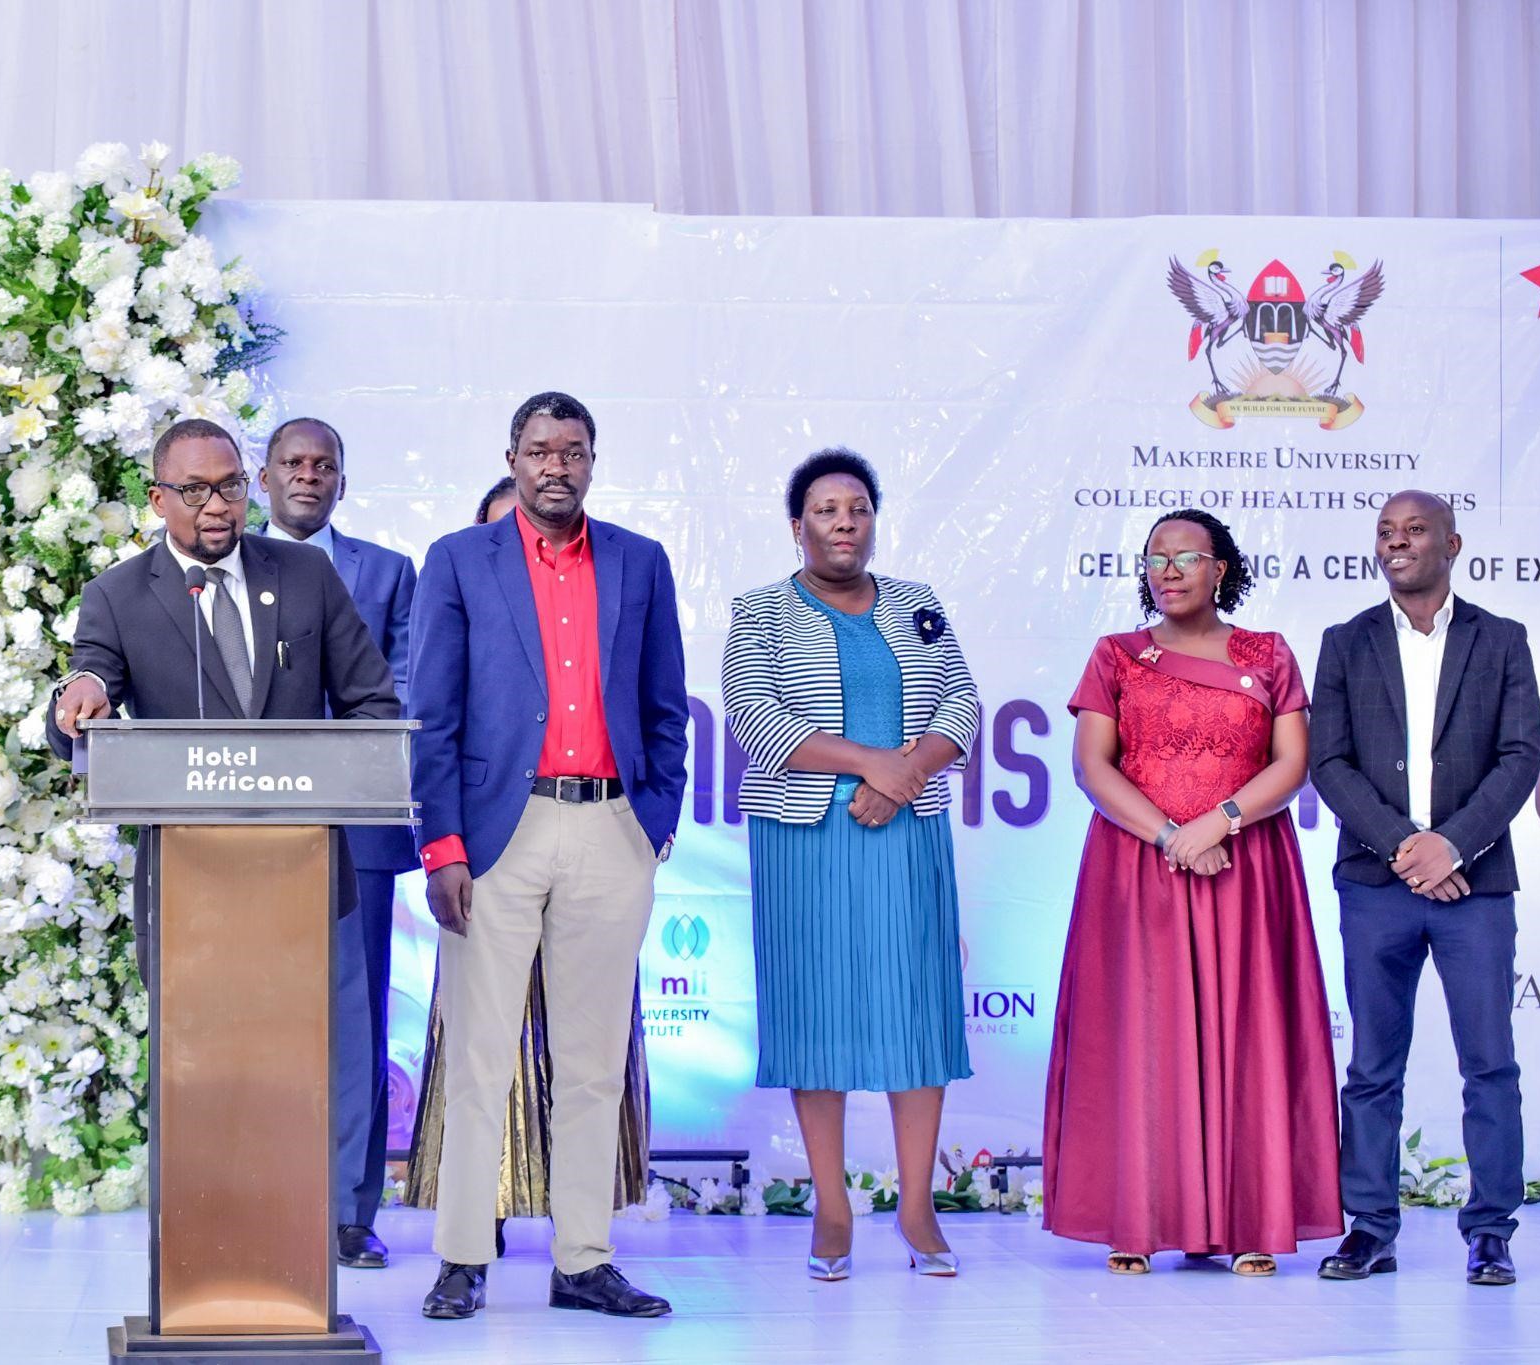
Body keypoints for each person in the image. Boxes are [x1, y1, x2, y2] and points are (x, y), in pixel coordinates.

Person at [410, 392, 688, 1321]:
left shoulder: (639, 562)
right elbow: (435, 714)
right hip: (497, 831)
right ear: (513, 458)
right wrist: (441, 842)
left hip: (610, 828)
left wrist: (655, 823)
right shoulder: (458, 560)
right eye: (538, 450)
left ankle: (583, 1260)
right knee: (482, 1054)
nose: (555, 466)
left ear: (593, 461)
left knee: (593, 1058)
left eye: (572, 450)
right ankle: (460, 1258)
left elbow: (665, 707)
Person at [1044, 508, 1341, 1276]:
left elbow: (1292, 762)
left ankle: (1251, 1216)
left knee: (1250, 1033)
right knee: (1144, 1035)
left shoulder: (1268, 654)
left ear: (1222, 569)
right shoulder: (1116, 656)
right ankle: (1139, 1216)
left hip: (1246, 868)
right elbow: (1092, 768)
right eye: (1155, 557)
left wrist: (1221, 821)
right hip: (1139, 869)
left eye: (1187, 556)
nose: (1168, 569)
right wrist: (1173, 835)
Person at [721, 447, 980, 1282]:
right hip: (806, 840)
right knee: (818, 1011)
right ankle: (831, 1208)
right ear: (797, 526)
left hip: (905, 832)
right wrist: (874, 763)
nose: (844, 521)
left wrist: (902, 779)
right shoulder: (761, 611)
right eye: (827, 509)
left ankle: (916, 1206)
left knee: (916, 1010)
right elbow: (753, 716)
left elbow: (962, 702)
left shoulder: (917, 604)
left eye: (858, 507)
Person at [46, 419, 400, 982]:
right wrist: (78, 692)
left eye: (231, 485)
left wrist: (321, 789)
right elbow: (90, 685)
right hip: (187, 884)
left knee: (302, 1063)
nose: (217, 505)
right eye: (195, 490)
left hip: (302, 872)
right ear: (160, 500)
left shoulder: (307, 574)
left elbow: (375, 704)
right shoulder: (116, 596)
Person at [1309, 492, 1540, 1287]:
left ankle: (1491, 1231)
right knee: (1373, 1066)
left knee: (1490, 1065)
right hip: (1377, 885)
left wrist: (1452, 845)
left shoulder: (1502, 639)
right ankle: (1370, 1228)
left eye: (1413, 531)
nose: (1396, 542)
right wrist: (1410, 850)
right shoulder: (1345, 642)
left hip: (1475, 885)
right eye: (1385, 532)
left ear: (1452, 542)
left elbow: (1521, 755)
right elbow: (1328, 763)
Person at [255, 416, 419, 1270]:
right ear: (264, 477)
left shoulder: (390, 573)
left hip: (356, 827)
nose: (309, 476)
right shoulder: (223, 566)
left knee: (356, 1022)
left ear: (343, 483)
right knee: (257, 1017)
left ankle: (355, 1211)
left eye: (325, 465)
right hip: (247, 829)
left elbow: (400, 687)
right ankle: (262, 1194)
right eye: (293, 463)